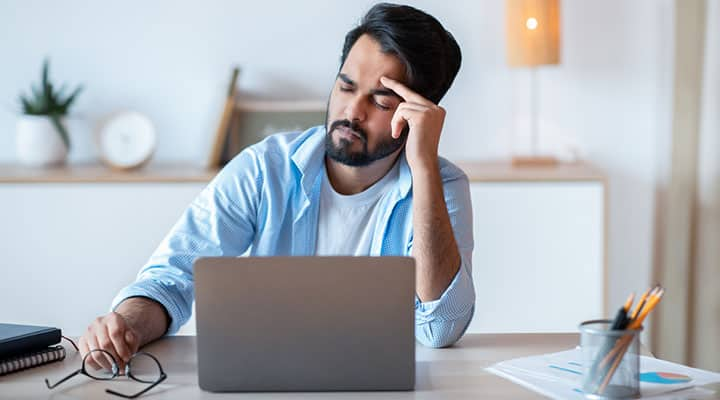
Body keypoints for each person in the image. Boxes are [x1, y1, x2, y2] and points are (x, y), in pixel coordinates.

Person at [79, 2, 475, 371]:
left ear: (420, 113)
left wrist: (423, 166)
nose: (352, 112)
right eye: (346, 87)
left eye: (382, 102)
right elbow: (171, 277)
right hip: (268, 378)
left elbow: (440, 328)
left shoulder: (440, 185)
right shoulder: (265, 168)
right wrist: (124, 325)